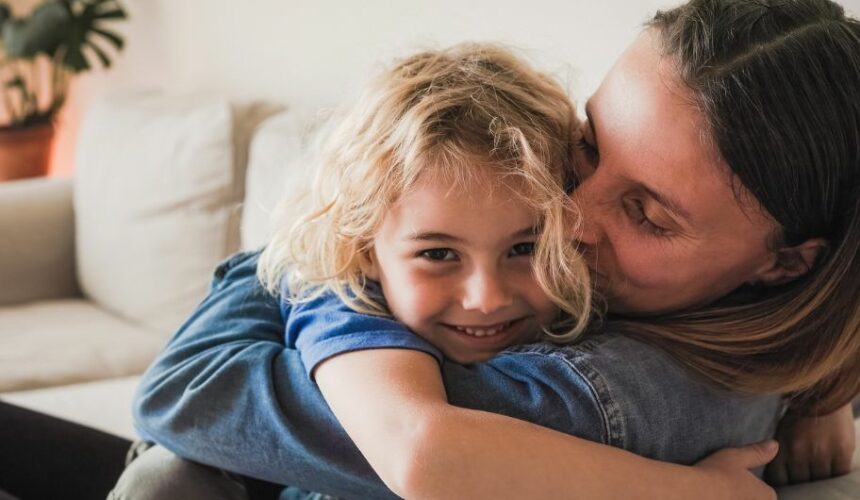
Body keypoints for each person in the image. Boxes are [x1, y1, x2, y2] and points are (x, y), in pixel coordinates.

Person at [121, 0, 859, 498]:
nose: (567, 217)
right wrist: (822, 390)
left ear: (787, 262)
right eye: (589, 145)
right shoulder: (750, 337)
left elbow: (194, 389)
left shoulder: (605, 397)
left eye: (647, 214)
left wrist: (338, 258)